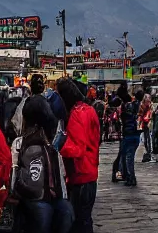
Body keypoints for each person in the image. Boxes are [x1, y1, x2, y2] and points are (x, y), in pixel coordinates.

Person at [11, 90, 74, 233]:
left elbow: (14, 175)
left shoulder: (20, 142)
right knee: (65, 211)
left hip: (36, 198)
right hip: (48, 198)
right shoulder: (53, 140)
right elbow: (61, 175)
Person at [56, 78, 100, 233]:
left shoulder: (76, 114)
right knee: (85, 220)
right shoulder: (89, 110)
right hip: (90, 172)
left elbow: (77, 149)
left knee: (79, 221)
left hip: (80, 175)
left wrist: (59, 147)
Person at [139, 93, 153, 163]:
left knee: (147, 137)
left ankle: (148, 151)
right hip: (145, 122)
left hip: (146, 122)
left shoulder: (146, 105)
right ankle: (148, 151)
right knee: (146, 137)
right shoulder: (144, 105)